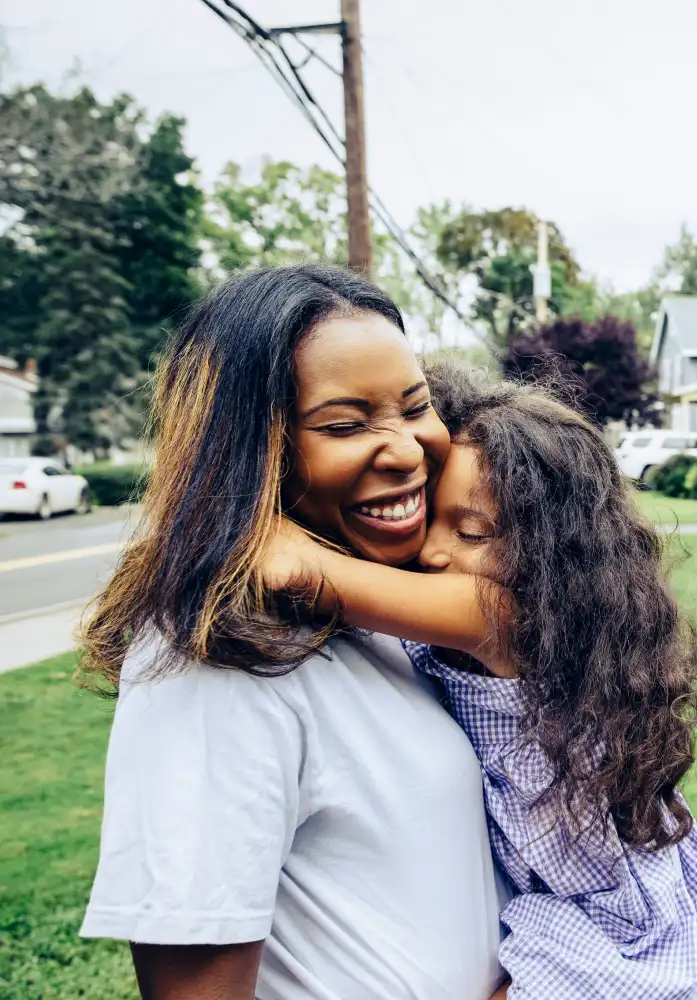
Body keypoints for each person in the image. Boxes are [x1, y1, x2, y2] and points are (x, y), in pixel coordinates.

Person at [79, 266, 508, 1000]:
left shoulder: (376, 605)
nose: (406, 449)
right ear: (249, 451)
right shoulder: (210, 664)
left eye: (415, 406)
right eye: (344, 425)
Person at [264, 363, 697, 999]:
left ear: (549, 562)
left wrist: (234, 508)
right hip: (555, 908)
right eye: (430, 516)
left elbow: (296, 570)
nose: (431, 551)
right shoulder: (465, 611)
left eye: (471, 532)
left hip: (613, 939)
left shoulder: (505, 620)